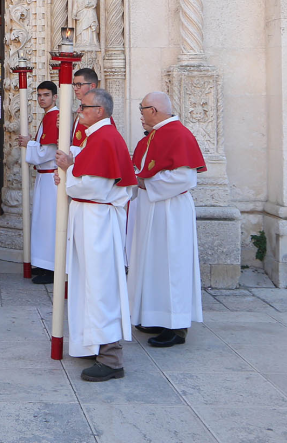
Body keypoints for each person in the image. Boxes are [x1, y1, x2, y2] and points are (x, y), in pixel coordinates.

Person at [55, 88, 135, 382]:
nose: (79, 111)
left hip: (98, 220)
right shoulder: (96, 137)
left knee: (101, 286)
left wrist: (68, 173)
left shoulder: (104, 138)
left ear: (100, 110)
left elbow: (94, 187)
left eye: (84, 107)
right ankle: (91, 343)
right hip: (89, 218)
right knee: (86, 283)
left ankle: (111, 358)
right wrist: (68, 172)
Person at [127, 92, 206, 348]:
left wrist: (146, 182)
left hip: (171, 210)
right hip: (151, 207)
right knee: (153, 265)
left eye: (142, 109)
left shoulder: (178, 134)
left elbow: (185, 178)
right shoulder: (154, 135)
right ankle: (155, 316)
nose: (140, 114)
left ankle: (177, 326)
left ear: (154, 109)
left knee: (172, 266)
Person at [18, 81, 59, 284]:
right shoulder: (48, 116)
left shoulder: (54, 117)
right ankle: (43, 264)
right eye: (39, 95)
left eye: (46, 95)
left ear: (55, 97)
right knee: (42, 223)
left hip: (51, 177)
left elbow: (47, 151)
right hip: (44, 177)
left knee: (49, 223)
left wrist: (29, 144)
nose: (42, 98)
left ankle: (51, 268)